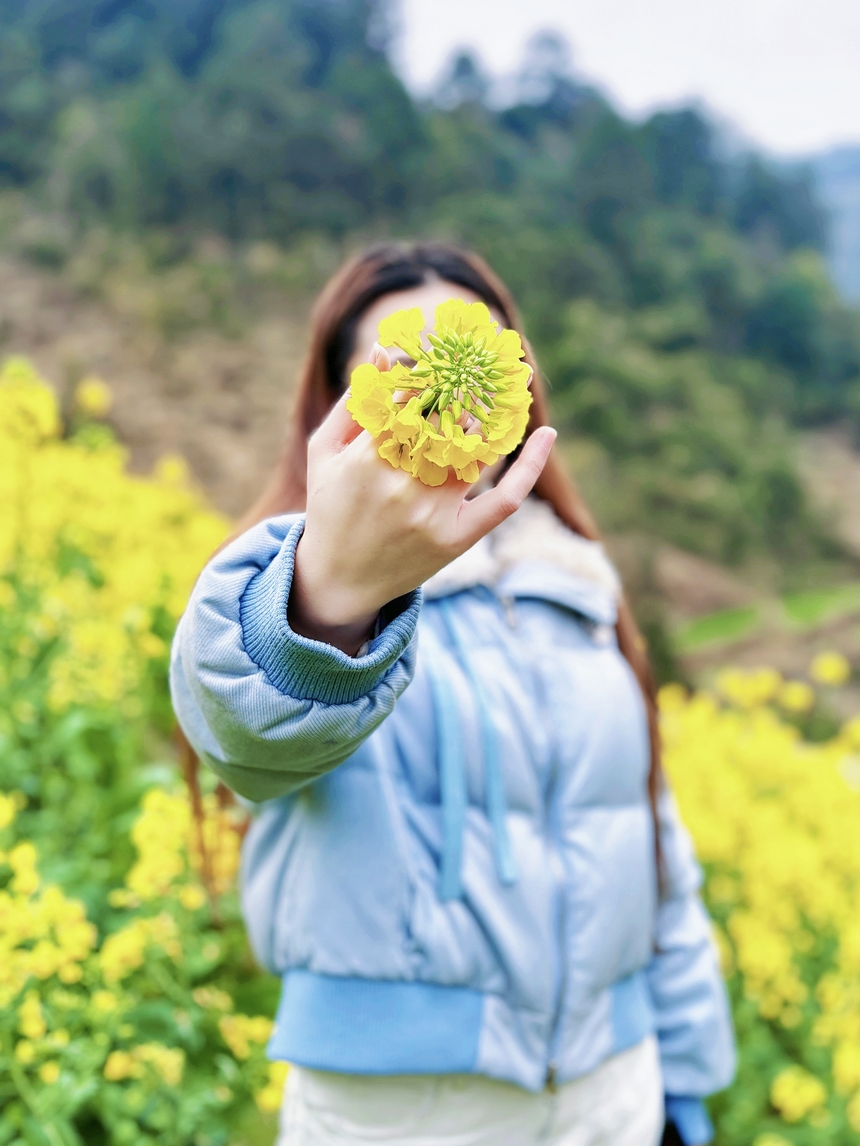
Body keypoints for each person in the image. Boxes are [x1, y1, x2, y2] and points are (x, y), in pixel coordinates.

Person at [170, 242, 735, 1146]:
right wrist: (334, 592)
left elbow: (649, 841)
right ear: (337, 403)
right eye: (404, 356)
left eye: (467, 349)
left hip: (614, 1088)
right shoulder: (291, 580)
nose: (440, 376)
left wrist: (687, 1080)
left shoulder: (583, 589)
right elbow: (243, 735)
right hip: (403, 1109)